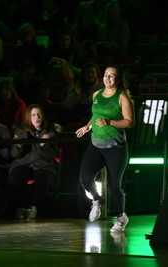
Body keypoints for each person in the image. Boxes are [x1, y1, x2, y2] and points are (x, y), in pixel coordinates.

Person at [75, 64, 134, 232]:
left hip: (115, 147)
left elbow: (129, 121)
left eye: (112, 75)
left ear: (118, 78)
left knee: (114, 186)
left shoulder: (123, 97)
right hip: (96, 144)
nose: (108, 78)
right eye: (106, 75)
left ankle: (121, 216)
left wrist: (109, 122)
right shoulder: (97, 94)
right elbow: (96, 113)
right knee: (85, 178)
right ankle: (97, 200)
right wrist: (88, 126)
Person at [8, 104, 60, 220]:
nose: (37, 117)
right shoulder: (21, 131)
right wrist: (19, 147)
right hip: (24, 163)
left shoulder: (49, 132)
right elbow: (14, 155)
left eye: (39, 115)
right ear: (29, 118)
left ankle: (35, 208)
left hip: (43, 165)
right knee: (17, 176)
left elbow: (53, 154)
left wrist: (43, 146)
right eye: (33, 115)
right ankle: (20, 208)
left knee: (42, 177)